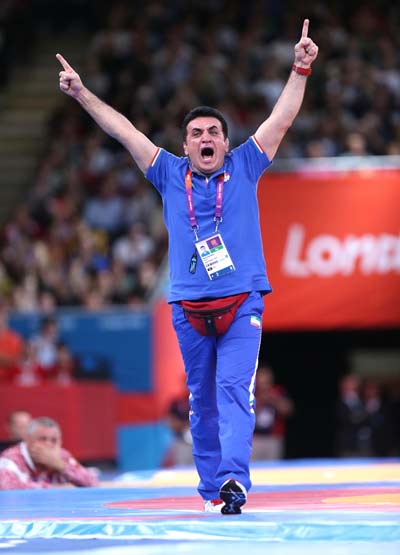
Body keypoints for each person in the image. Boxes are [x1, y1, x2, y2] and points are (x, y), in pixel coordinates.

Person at [57, 19, 318, 514]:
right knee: (201, 401)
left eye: (214, 132)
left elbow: (281, 119)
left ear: (225, 143)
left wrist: (300, 68)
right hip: (188, 308)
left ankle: (234, 481)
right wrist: (82, 94)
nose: (205, 138)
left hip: (241, 302)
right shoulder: (166, 171)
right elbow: (124, 131)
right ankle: (211, 492)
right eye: (196, 133)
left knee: (234, 391)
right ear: (185, 146)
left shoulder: (246, 163)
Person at [0, 416, 99, 489]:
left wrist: (61, 466)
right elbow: (7, 486)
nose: (48, 445)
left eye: (54, 440)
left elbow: (92, 482)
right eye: (42, 439)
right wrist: (57, 489)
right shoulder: (11, 458)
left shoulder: (62, 456)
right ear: (27, 440)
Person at [251, 366, 294, 461]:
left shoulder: (278, 392)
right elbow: (244, 415)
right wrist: (260, 402)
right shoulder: (251, 393)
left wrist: (273, 400)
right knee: (253, 467)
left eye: (266, 380)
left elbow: (288, 410)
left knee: (273, 467)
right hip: (255, 439)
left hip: (273, 439)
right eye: (261, 379)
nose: (263, 384)